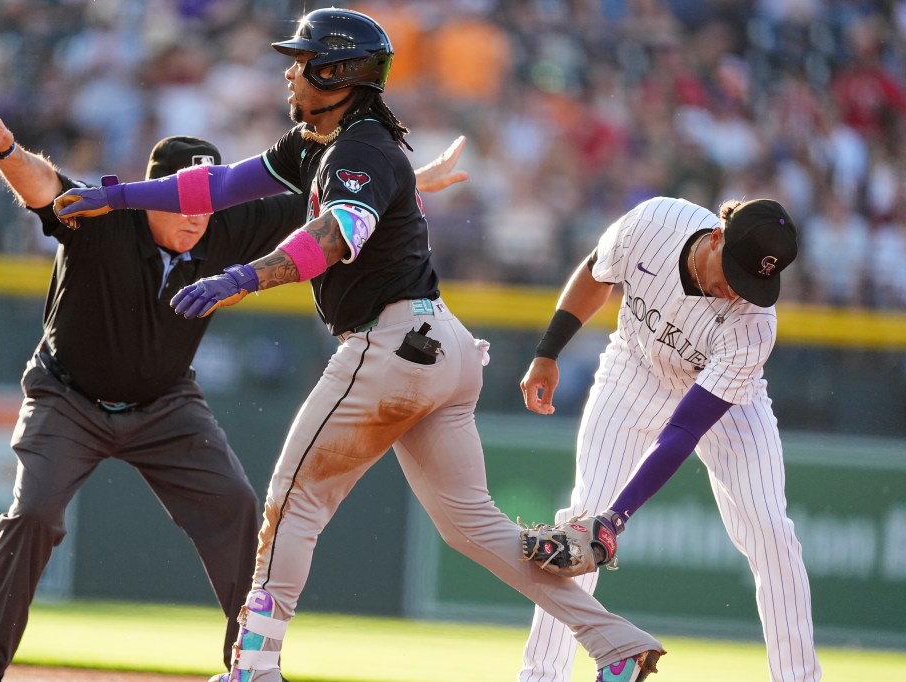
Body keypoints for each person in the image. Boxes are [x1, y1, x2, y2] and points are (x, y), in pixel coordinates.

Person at [54, 8, 666, 682]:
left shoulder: (361, 150)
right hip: (441, 349)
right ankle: (618, 644)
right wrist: (122, 199)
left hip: (391, 345)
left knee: (293, 503)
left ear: (337, 72)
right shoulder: (321, 141)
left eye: (302, 59)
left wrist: (241, 277)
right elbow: (218, 184)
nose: (289, 70)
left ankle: (253, 668)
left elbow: (336, 234)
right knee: (474, 530)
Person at [0, 90, 468, 682]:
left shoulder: (229, 222)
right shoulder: (104, 219)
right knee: (33, 513)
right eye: (181, 199)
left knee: (239, 510)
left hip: (167, 405)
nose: (196, 214)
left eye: (205, 200)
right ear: (152, 196)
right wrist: (5, 148)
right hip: (68, 398)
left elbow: (339, 209)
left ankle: (246, 667)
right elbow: (43, 183)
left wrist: (415, 179)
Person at [517, 196, 822, 682]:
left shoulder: (755, 324)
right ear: (718, 235)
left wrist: (617, 518)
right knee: (578, 524)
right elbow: (597, 274)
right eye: (736, 274)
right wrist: (549, 351)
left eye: (755, 283)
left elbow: (684, 429)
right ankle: (540, 676)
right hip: (634, 369)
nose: (738, 291)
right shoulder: (656, 221)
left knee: (772, 533)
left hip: (728, 404)